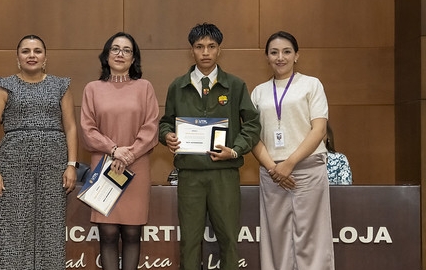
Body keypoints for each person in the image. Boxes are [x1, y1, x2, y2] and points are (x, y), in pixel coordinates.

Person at [158, 23, 261, 270]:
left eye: (211, 47)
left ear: (219, 50)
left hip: (224, 174)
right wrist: (168, 136)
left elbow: (253, 124)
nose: (205, 52)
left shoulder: (235, 86)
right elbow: (164, 123)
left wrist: (235, 149)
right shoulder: (177, 86)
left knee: (228, 240)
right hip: (190, 175)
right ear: (191, 50)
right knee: (190, 242)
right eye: (199, 47)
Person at [0, 34, 78, 270]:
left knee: (50, 226)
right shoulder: (3, 85)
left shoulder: (61, 85)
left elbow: (70, 127)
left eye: (37, 51)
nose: (32, 56)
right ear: (18, 58)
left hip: (54, 165)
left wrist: (71, 164)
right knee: (15, 226)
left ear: (45, 57)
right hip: (14, 165)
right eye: (26, 51)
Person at [250, 31, 335, 269]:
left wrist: (290, 164)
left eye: (287, 51)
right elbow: (252, 136)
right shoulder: (258, 92)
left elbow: (319, 130)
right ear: (266, 57)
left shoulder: (311, 84)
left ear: (297, 55)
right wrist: (273, 168)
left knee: (311, 239)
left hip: (307, 170)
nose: (280, 57)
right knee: (275, 238)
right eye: (274, 52)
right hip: (272, 174)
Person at [80, 32, 159, 270]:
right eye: (115, 49)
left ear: (134, 58)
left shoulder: (144, 87)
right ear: (106, 55)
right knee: (108, 233)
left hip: (137, 166)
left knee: (133, 233)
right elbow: (87, 129)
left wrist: (129, 154)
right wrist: (114, 150)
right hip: (103, 165)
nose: (120, 54)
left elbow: (151, 126)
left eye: (126, 50)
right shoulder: (92, 88)